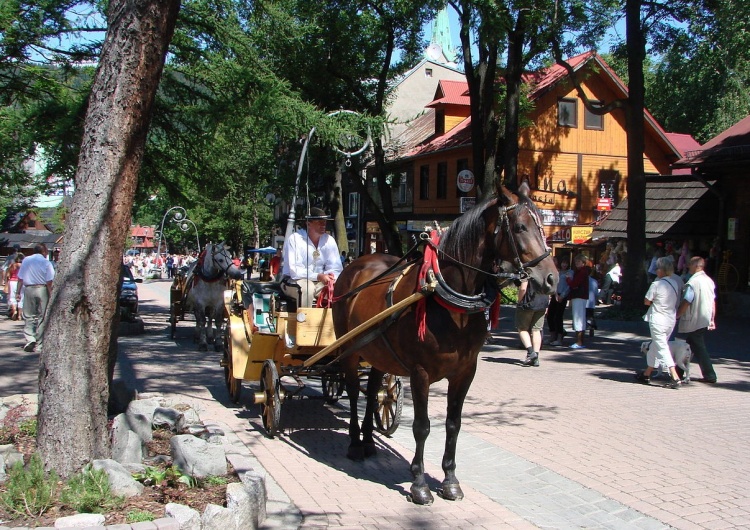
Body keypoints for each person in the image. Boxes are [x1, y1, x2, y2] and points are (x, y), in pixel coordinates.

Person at [281, 207, 343, 308]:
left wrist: (332, 278)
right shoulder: (295, 239)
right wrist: (318, 276)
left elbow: (336, 268)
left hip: (319, 282)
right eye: (319, 221)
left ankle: (334, 321)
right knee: (307, 288)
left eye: (325, 221)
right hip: (293, 281)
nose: (324, 224)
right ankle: (305, 320)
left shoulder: (329, 240)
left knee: (339, 289)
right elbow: (295, 271)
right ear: (308, 223)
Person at [635, 256, 682, 388]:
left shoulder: (657, 284)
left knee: (661, 347)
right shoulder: (675, 283)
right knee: (656, 345)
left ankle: (674, 376)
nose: (656, 271)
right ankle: (647, 373)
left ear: (661, 270)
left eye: (657, 268)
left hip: (658, 319)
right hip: (670, 319)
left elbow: (647, 301)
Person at [677, 256, 717, 384]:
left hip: (692, 319)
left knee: (693, 346)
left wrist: (678, 314)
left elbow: (687, 300)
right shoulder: (709, 281)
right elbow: (713, 302)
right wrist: (712, 318)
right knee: (688, 345)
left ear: (696, 266)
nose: (688, 266)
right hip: (703, 318)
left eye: (689, 264)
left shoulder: (693, 282)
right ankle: (678, 371)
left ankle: (710, 374)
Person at [16, 243, 55, 352]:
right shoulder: (46, 262)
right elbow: (49, 281)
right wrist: (51, 294)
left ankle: (30, 338)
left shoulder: (26, 260)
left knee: (29, 315)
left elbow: (20, 278)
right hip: (42, 288)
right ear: (44, 251)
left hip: (29, 288)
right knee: (42, 316)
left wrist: (18, 292)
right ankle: (40, 344)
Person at [516, 278, 550, 366]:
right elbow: (549, 289)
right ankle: (536, 356)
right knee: (536, 330)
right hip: (542, 303)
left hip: (528, 303)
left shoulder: (528, 272)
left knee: (522, 329)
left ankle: (531, 353)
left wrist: (519, 301)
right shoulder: (544, 272)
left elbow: (523, 289)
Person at [566, 254, 590, 349]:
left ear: (583, 263)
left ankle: (579, 342)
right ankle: (580, 341)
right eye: (576, 262)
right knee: (580, 318)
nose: (577, 264)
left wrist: (568, 279)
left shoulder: (582, 272)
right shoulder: (583, 272)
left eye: (579, 262)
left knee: (578, 319)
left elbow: (574, 283)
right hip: (581, 296)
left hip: (579, 296)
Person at [547, 257, 572, 346]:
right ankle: (552, 335)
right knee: (550, 316)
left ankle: (560, 337)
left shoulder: (570, 272)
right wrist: (555, 294)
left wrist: (562, 295)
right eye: (563, 263)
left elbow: (569, 286)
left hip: (563, 296)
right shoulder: (558, 271)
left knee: (558, 316)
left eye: (566, 263)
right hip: (555, 294)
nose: (564, 265)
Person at [7, 253, 24, 320]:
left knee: (12, 297)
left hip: (12, 281)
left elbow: (8, 275)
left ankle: (14, 311)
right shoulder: (23, 266)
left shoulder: (12, 265)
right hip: (20, 281)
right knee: (21, 298)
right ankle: (19, 315)